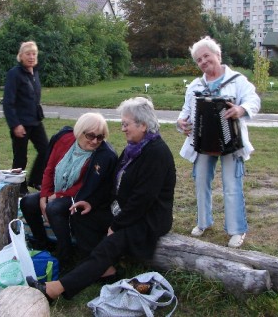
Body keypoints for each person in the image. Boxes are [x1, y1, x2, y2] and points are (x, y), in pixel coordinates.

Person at [27, 96, 176, 302]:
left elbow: (142, 200)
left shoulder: (156, 153)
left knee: (110, 243)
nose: (122, 128)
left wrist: (116, 225)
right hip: (125, 211)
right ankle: (106, 270)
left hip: (147, 218)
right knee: (81, 215)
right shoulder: (135, 147)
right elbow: (113, 186)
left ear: (142, 125)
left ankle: (56, 288)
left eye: (126, 124)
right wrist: (92, 203)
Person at [176, 36, 260, 248]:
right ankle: (203, 222)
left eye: (206, 56)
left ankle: (236, 230)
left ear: (218, 55)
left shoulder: (237, 80)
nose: (203, 61)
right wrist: (181, 122)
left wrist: (241, 109)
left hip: (231, 142)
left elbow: (254, 100)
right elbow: (185, 112)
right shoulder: (195, 85)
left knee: (232, 186)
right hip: (203, 143)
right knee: (201, 181)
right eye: (198, 59)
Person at [20, 113, 118, 268]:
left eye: (100, 137)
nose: (95, 141)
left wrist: (56, 197)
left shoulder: (103, 156)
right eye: (90, 136)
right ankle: (42, 244)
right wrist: (44, 196)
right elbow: (50, 168)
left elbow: (85, 186)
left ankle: (65, 255)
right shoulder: (64, 139)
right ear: (79, 132)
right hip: (59, 190)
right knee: (27, 202)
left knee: (54, 208)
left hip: (80, 196)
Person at [3, 41, 49, 194]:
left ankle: (35, 179)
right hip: (20, 122)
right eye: (28, 54)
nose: (31, 57)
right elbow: (8, 102)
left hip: (35, 120)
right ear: (21, 56)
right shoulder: (14, 73)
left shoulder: (34, 72)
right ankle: (19, 186)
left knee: (46, 149)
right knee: (20, 156)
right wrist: (15, 124)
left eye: (34, 54)